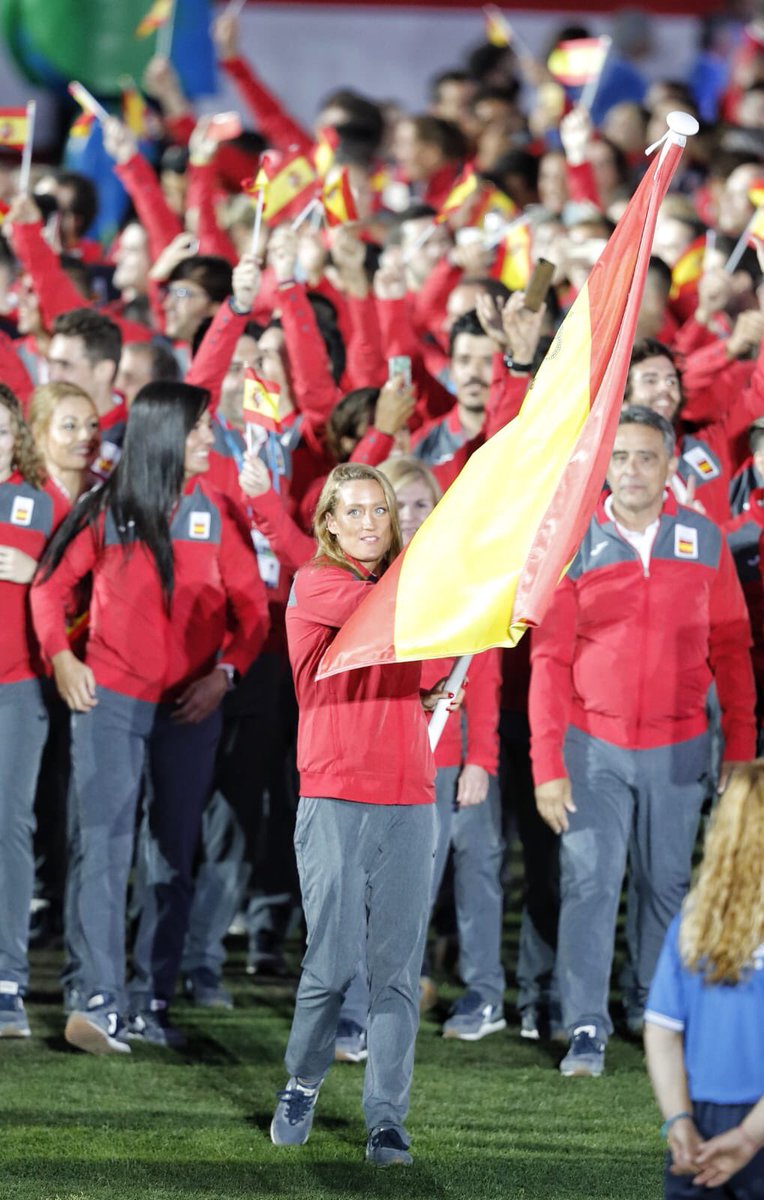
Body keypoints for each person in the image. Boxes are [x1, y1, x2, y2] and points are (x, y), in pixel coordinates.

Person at [31, 382, 269, 1054]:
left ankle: (150, 997)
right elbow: (50, 589)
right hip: (109, 702)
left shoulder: (216, 511)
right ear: (164, 433)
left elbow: (253, 614)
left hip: (189, 709)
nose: (209, 438)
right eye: (198, 429)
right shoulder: (106, 508)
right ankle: (98, 997)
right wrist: (61, 659)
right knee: (103, 846)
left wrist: (225, 677)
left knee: (171, 854)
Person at [530, 406, 756, 1078]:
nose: (632, 469)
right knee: (592, 884)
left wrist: (739, 750)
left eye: (646, 457)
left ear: (668, 466)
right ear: (604, 465)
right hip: (589, 745)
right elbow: (548, 661)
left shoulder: (705, 539)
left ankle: (651, 1008)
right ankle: (586, 1027)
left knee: (666, 885)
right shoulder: (571, 541)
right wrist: (548, 764)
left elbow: (734, 650)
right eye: (620, 456)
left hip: (682, 746)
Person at [270, 462, 459, 1167]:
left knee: (397, 968)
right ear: (328, 523)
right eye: (354, 512)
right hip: (335, 794)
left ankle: (387, 1116)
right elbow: (386, 630)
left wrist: (422, 700)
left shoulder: (402, 591)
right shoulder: (318, 585)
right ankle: (305, 1078)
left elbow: (423, 661)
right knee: (331, 962)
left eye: (380, 511)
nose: (371, 523)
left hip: (409, 793)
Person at [334, 456, 504, 1057]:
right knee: (367, 892)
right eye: (394, 505)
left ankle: (391, 1011)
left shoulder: (462, 580)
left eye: (418, 503)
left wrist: (479, 756)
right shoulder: (362, 584)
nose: (408, 515)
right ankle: (355, 1012)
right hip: (378, 758)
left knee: (415, 894)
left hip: (443, 762)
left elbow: (480, 676)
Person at [644, 763, 764, 1198]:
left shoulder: (694, 922)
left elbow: (661, 1029)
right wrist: (750, 1136)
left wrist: (678, 1120)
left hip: (700, 1123)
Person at [0, 385, 67, 1036]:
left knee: (10, 824)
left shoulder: (41, 502)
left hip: (17, 685)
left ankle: (7, 980)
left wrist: (34, 570)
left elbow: (77, 589)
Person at [28, 382, 100, 504]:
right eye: (70, 426)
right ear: (38, 434)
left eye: (93, 425)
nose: (86, 436)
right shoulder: (17, 494)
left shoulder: (109, 492)